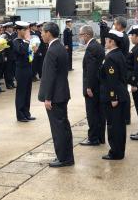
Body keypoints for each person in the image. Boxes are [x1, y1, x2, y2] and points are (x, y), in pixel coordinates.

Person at [38, 22, 74, 168]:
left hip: (55, 96)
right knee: (63, 126)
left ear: (48, 33)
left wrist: (48, 97)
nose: (41, 34)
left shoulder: (53, 50)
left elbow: (49, 76)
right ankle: (66, 156)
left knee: (58, 128)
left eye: (42, 32)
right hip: (61, 93)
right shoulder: (59, 47)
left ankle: (63, 158)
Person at [100, 30, 130, 160]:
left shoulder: (111, 57)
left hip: (115, 97)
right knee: (119, 125)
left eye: (106, 40)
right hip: (121, 94)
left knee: (114, 126)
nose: (105, 42)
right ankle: (119, 151)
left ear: (112, 42)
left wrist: (113, 97)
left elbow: (112, 79)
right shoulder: (119, 54)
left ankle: (116, 152)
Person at [79, 25, 105, 146]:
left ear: (86, 35)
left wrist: (89, 86)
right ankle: (100, 137)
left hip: (93, 86)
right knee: (99, 112)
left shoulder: (91, 48)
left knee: (92, 113)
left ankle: (93, 138)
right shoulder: (97, 45)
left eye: (81, 35)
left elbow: (91, 69)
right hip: (98, 84)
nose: (80, 37)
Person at [13, 21, 36, 122]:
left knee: (27, 92)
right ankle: (20, 114)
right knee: (21, 93)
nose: (26, 31)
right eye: (24, 29)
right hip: (21, 70)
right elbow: (21, 51)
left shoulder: (27, 41)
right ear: (18, 30)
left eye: (26, 29)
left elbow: (29, 53)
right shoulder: (16, 41)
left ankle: (26, 113)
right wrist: (27, 41)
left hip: (28, 68)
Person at [114, 16, 131, 125]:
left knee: (123, 92)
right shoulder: (123, 36)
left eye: (115, 24)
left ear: (120, 25)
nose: (114, 26)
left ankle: (125, 117)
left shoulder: (121, 37)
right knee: (123, 92)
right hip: (123, 67)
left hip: (122, 68)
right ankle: (125, 116)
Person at [2, 22, 16, 89]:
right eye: (10, 27)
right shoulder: (4, 35)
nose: (11, 28)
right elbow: (3, 47)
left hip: (13, 55)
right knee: (8, 70)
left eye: (11, 27)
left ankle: (12, 83)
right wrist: (4, 56)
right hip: (7, 55)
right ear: (7, 28)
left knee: (13, 70)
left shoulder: (14, 35)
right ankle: (8, 84)